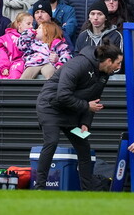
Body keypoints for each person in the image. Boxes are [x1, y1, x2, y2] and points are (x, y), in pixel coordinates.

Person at [33, 43, 123, 190]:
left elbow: (93, 100)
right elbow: (63, 96)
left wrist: (85, 122)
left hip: (72, 110)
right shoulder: (78, 65)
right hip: (50, 107)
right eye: (118, 63)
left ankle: (87, 189)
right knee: (52, 142)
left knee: (84, 148)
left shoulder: (104, 75)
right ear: (108, 61)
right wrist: (87, 106)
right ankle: (40, 187)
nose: (119, 67)